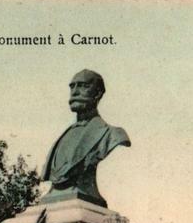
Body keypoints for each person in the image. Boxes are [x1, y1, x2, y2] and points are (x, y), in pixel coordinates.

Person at [41, 70, 130, 208]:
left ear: (98, 93)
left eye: (83, 86)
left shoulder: (112, 134)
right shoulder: (64, 136)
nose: (75, 92)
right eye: (72, 86)